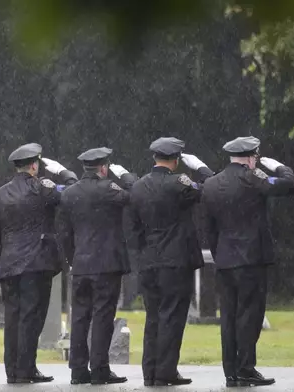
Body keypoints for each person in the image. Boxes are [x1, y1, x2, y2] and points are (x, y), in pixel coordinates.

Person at [202, 136, 294, 388]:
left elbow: (209, 228)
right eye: (255, 157)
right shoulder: (254, 179)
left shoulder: (211, 184)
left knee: (229, 317)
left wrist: (220, 253)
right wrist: (279, 168)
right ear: (250, 158)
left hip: (224, 260)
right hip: (251, 259)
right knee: (250, 315)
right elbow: (290, 185)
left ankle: (230, 372)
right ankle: (245, 368)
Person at [0, 143, 77, 384]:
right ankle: (26, 369)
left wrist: (2, 261)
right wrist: (63, 172)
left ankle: (13, 370)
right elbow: (73, 191)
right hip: (37, 264)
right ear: (35, 165)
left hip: (9, 264)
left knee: (13, 319)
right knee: (32, 318)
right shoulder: (42, 189)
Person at [128, 137, 213, 387]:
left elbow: (133, 229)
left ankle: (150, 371)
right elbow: (212, 186)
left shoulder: (139, 187)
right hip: (175, 261)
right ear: (176, 160)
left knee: (153, 317)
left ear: (155, 158)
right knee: (172, 317)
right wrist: (200, 168)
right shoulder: (179, 184)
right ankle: (166, 372)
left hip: (148, 261)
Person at [56, 147, 136, 385]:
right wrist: (126, 176)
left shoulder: (69, 193)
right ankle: (100, 368)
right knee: (103, 317)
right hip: (106, 265)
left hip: (81, 264)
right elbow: (133, 195)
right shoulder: (108, 189)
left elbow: (64, 234)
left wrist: (73, 259)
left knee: (79, 318)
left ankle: (78, 370)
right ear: (104, 167)